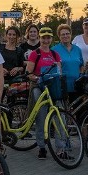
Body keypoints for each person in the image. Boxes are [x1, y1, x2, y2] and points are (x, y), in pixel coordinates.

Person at [24, 26, 62, 160]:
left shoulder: (55, 54)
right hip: (39, 86)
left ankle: (60, 147)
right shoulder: (35, 54)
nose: (45, 40)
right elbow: (29, 73)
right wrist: (36, 78)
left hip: (53, 87)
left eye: (48, 38)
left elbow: (59, 71)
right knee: (41, 116)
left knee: (59, 116)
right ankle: (41, 147)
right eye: (43, 37)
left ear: (51, 39)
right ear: (39, 38)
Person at [52, 24, 83, 102]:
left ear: (70, 34)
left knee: (77, 111)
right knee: (63, 112)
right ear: (59, 36)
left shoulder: (77, 49)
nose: (65, 36)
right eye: (63, 34)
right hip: (61, 87)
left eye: (67, 33)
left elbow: (81, 66)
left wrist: (81, 77)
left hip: (76, 86)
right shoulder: (54, 50)